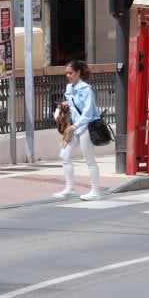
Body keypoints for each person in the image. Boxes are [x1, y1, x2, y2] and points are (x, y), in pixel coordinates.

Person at [55, 60, 103, 201]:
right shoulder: (69, 88)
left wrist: (76, 126)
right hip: (74, 127)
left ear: (78, 73)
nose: (68, 76)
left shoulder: (86, 89)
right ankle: (70, 189)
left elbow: (88, 112)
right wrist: (66, 104)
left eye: (70, 73)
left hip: (86, 126)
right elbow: (73, 105)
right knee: (64, 154)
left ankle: (95, 191)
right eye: (67, 73)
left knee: (89, 159)